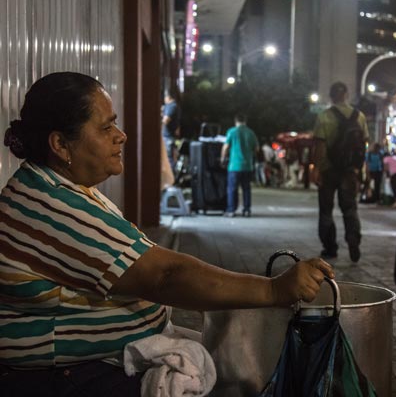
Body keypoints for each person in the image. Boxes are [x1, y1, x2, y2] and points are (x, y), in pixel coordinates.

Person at [0, 72, 334, 397]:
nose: (121, 135)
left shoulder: (58, 188)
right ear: (60, 144)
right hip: (67, 378)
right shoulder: (49, 206)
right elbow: (165, 276)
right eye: (105, 128)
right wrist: (274, 289)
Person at [313, 81, 369, 263]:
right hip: (349, 171)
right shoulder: (359, 116)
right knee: (350, 209)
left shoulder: (324, 116)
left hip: (329, 170)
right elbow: (363, 145)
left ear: (331, 96)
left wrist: (317, 169)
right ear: (347, 95)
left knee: (326, 211)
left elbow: (320, 146)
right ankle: (353, 241)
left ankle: (330, 248)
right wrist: (359, 170)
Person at [221, 113, 259, 217]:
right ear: (245, 121)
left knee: (232, 189)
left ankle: (231, 210)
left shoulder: (232, 131)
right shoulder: (251, 133)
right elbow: (256, 149)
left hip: (234, 165)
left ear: (235, 121)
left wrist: (223, 158)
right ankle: (246, 210)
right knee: (246, 189)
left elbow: (225, 147)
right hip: (248, 166)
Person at [161, 91, 181, 171]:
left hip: (168, 137)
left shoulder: (171, 106)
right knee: (170, 158)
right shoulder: (174, 106)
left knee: (169, 159)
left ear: (168, 97)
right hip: (170, 136)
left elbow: (166, 120)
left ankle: (172, 176)